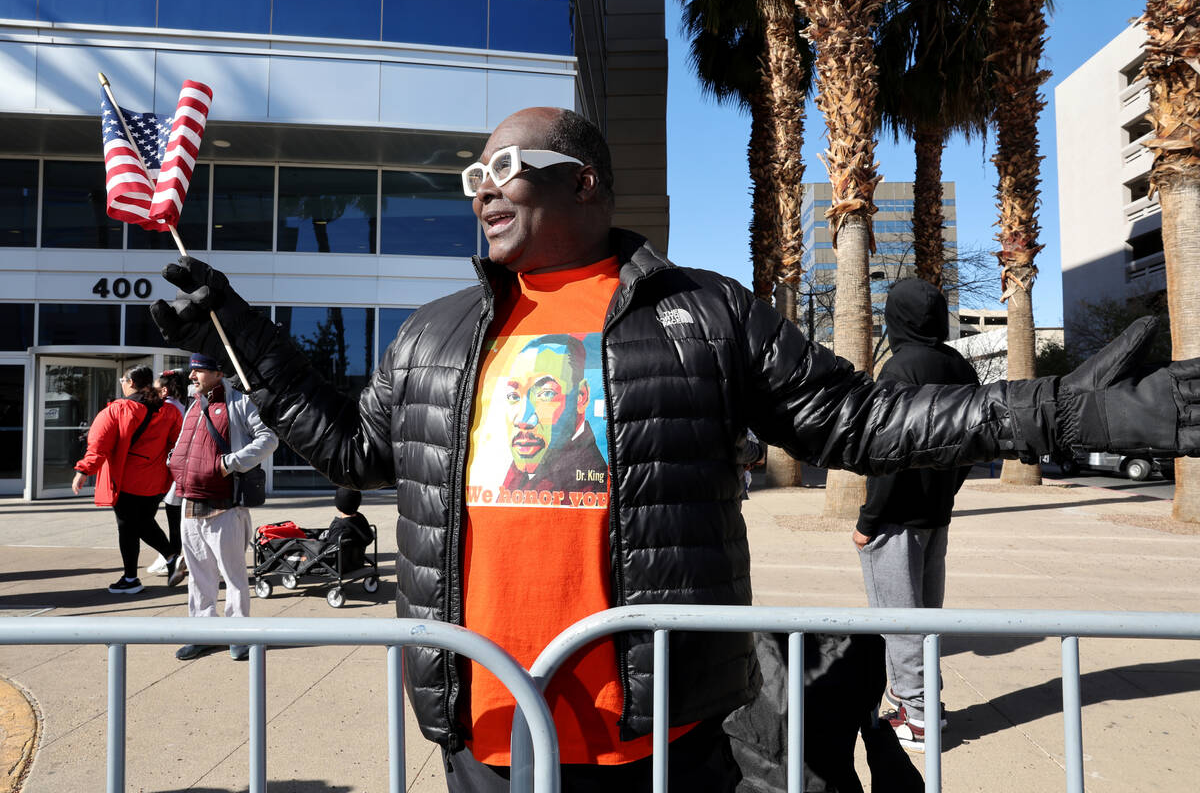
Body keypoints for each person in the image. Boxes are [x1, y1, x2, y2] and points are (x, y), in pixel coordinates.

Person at [150, 106, 1200, 790]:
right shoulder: (433, 334)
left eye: (511, 165)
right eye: (476, 168)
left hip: (655, 732)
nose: (484, 183)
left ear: (588, 184)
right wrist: (234, 329)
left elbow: (862, 421)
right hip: (481, 727)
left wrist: (1075, 414)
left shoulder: (703, 315)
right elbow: (355, 448)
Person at [853, 278, 980, 753]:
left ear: (896, 318)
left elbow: (889, 456)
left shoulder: (898, 370)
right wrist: (946, 491)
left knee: (898, 619)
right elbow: (974, 445)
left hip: (896, 518)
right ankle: (926, 706)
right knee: (926, 616)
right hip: (936, 514)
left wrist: (868, 521)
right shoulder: (961, 367)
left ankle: (917, 716)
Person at [169, 353, 277, 662]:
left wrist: (230, 463)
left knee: (233, 576)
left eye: (198, 371)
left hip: (226, 505)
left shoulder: (241, 403)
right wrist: (174, 458)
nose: (192, 377)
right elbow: (185, 443)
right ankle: (202, 633)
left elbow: (268, 439)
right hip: (190, 502)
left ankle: (238, 636)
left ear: (218, 373)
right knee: (199, 574)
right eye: (192, 372)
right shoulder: (194, 404)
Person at [71, 365, 184, 594]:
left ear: (131, 382)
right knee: (141, 524)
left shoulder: (118, 410)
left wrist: (83, 471)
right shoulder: (168, 411)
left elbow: (98, 445)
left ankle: (152, 567)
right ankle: (141, 572)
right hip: (156, 482)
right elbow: (176, 446)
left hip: (127, 480)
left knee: (130, 527)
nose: (121, 382)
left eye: (123, 379)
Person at [500, 334, 608, 493]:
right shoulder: (523, 467)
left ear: (581, 397)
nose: (523, 420)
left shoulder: (591, 484)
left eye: (546, 394)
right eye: (514, 396)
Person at [147, 369, 188, 582]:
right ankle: (173, 557)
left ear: (163, 390)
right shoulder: (182, 406)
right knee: (175, 518)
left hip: (173, 469)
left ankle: (172, 558)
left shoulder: (167, 408)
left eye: (154, 389)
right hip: (179, 468)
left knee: (174, 518)